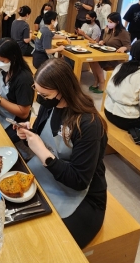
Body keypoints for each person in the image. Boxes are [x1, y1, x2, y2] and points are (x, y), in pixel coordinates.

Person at [16, 58, 107, 248]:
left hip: (81, 193)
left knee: (49, 245)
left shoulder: (88, 124)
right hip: (49, 174)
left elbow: (79, 180)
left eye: (45, 95)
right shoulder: (50, 106)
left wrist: (42, 152)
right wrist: (28, 134)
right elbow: (43, 138)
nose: (40, 99)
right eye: (38, 92)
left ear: (63, 89)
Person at [0, 38, 34, 142]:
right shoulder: (6, 68)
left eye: (2, 61)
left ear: (13, 57)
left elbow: (24, 113)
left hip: (13, 122)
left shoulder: (24, 79)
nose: (0, 64)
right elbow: (3, 84)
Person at [88, 12, 132, 93]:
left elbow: (129, 46)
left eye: (111, 22)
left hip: (114, 58)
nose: (109, 23)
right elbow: (106, 41)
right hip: (105, 54)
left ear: (117, 22)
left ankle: (102, 83)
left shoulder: (123, 32)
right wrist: (102, 41)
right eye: (108, 21)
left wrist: (124, 48)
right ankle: (96, 80)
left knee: (96, 61)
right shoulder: (110, 30)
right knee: (91, 60)